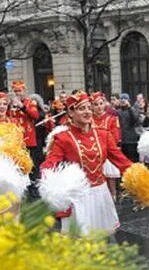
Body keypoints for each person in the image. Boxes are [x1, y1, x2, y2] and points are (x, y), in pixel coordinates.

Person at [41, 91, 133, 234]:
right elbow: (51, 163)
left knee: (101, 241)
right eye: (81, 108)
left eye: (89, 108)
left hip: (100, 193)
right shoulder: (63, 138)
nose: (87, 112)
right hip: (78, 197)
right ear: (71, 113)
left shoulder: (103, 134)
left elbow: (121, 160)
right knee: (79, 243)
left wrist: (140, 175)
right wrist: (48, 180)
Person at [89, 92, 122, 198]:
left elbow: (115, 135)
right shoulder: (89, 119)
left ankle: (113, 194)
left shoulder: (111, 118)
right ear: (92, 106)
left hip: (107, 149)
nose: (99, 107)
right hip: (93, 149)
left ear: (104, 104)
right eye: (96, 104)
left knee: (110, 174)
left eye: (101, 104)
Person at [116, 93, 140, 161]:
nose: (123, 101)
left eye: (125, 99)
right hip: (122, 141)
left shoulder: (133, 110)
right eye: (121, 99)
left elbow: (135, 119)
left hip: (131, 141)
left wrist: (129, 107)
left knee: (132, 160)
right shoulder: (117, 112)